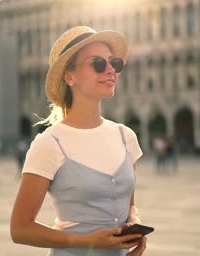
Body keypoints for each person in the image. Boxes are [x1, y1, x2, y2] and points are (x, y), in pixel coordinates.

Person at [10, 26, 147, 256]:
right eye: (98, 63)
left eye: (114, 63)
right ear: (69, 76)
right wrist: (86, 241)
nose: (111, 70)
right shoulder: (49, 143)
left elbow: (129, 206)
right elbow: (20, 229)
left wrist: (134, 227)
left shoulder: (126, 137)